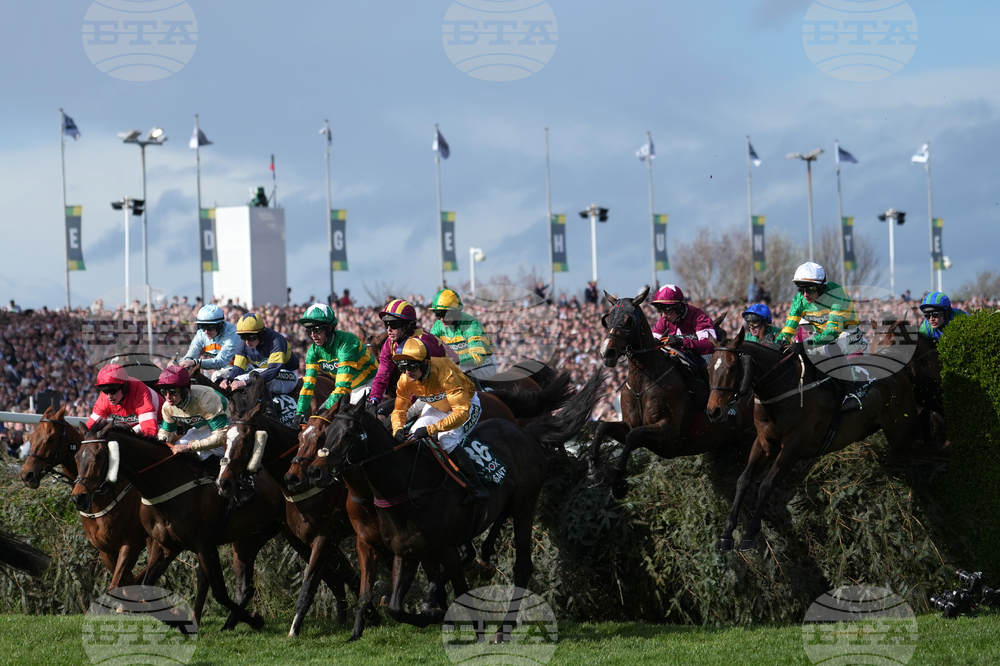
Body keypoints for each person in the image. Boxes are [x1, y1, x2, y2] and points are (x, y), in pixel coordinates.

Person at [390, 338, 489, 502]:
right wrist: (397, 428)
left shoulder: (446, 374)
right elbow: (399, 410)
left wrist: (430, 430)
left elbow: (461, 413)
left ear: (425, 363)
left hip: (466, 406)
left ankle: (478, 487)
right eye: (402, 367)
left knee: (447, 439)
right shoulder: (405, 380)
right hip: (436, 406)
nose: (407, 371)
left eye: (412, 366)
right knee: (413, 436)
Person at [774, 262, 869, 409]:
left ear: (822, 286)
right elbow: (790, 326)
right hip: (824, 335)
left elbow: (832, 333)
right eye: (801, 289)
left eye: (810, 289)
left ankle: (852, 393)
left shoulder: (836, 294)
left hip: (849, 333)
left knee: (830, 347)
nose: (805, 294)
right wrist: (780, 341)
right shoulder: (799, 300)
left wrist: (805, 344)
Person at [156, 366, 254, 504]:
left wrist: (191, 447)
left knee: (197, 452)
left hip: (227, 427)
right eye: (164, 391)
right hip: (204, 428)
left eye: (173, 391)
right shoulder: (167, 406)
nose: (168, 396)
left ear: (185, 389)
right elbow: (167, 431)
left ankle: (240, 485)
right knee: (177, 447)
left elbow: (221, 436)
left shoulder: (205, 399)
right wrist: (161, 441)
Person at [293, 303, 378, 425]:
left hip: (369, 382)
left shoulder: (347, 343)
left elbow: (343, 387)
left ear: (329, 328)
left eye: (317, 329)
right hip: (347, 388)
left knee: (352, 422)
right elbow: (308, 386)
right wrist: (300, 412)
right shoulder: (313, 351)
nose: (313, 335)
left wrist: (324, 410)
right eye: (309, 330)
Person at [367, 299, 452, 414]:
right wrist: (374, 400)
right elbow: (382, 375)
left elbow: (420, 385)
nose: (388, 329)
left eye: (394, 324)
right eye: (386, 324)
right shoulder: (390, 343)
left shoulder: (423, 342)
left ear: (408, 325)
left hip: (441, 385)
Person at [650, 284, 716, 396]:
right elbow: (652, 342)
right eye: (660, 310)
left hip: (700, 359)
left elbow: (710, 345)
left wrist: (681, 341)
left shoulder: (698, 316)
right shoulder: (663, 321)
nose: (663, 315)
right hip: (678, 359)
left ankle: (719, 400)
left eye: (667, 310)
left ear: (680, 306)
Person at [221, 312, 299, 396]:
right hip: (263, 373)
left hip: (287, 375)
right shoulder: (242, 345)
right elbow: (237, 369)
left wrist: (245, 382)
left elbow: (273, 370)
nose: (247, 341)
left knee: (252, 374)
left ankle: (270, 408)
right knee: (220, 374)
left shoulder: (276, 341)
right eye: (243, 336)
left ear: (261, 333)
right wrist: (228, 380)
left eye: (251, 337)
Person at [429, 289, 496, 384]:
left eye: (447, 314)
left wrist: (454, 359)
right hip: (459, 363)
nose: (442, 319)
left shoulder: (472, 325)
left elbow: (477, 358)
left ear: (457, 311)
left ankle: (475, 399)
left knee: (458, 368)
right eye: (438, 314)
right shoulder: (438, 325)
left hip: (485, 364)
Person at [85, 363, 164, 437]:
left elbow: (149, 430)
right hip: (133, 428)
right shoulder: (104, 398)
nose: (109, 396)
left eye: (113, 390)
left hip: (160, 423)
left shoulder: (139, 391)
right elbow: (90, 427)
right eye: (104, 390)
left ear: (125, 386)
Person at [179, 304, 239, 377]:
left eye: (210, 327)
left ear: (220, 325)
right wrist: (178, 363)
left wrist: (195, 362)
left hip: (237, 371)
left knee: (215, 376)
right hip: (216, 372)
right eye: (203, 326)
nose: (206, 331)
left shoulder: (232, 335)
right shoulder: (201, 333)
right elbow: (191, 355)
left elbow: (221, 361)